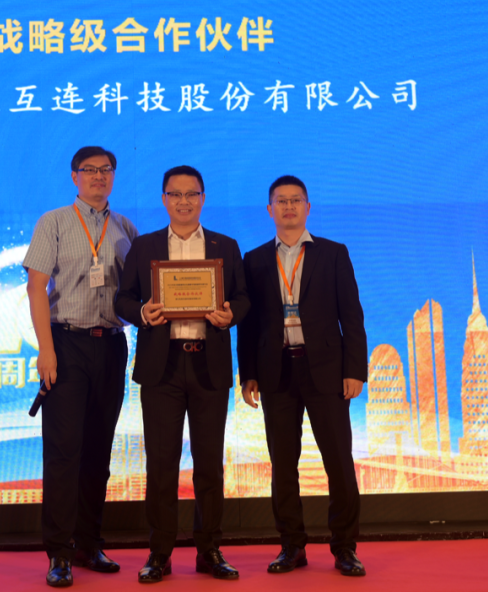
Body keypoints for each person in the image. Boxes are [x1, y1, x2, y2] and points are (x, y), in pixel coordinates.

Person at [115, 165, 250, 584]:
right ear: (164, 200)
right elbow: (123, 299)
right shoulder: (145, 246)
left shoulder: (225, 246)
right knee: (161, 465)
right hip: (163, 367)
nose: (184, 202)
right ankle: (159, 553)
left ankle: (209, 549)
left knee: (210, 465)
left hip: (209, 365)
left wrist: (230, 314)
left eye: (192, 194)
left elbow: (243, 297)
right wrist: (142, 312)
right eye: (175, 194)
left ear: (203, 199)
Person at [237, 175, 368, 577]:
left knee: (338, 462)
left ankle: (345, 548)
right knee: (283, 465)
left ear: (308, 208)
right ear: (270, 209)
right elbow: (249, 324)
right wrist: (248, 374)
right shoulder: (255, 259)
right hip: (276, 371)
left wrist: (355, 371)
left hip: (326, 371)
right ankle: (291, 546)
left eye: (296, 200)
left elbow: (352, 316)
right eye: (282, 201)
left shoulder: (333, 253)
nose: (289, 207)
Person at [24, 146, 139, 588]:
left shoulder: (125, 227)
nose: (98, 177)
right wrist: (45, 349)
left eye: (106, 170)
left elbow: (138, 291)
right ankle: (59, 552)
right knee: (63, 453)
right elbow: (36, 287)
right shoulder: (53, 222)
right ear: (75, 176)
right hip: (65, 344)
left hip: (111, 345)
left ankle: (90, 544)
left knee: (98, 452)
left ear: (114, 175)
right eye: (89, 170)